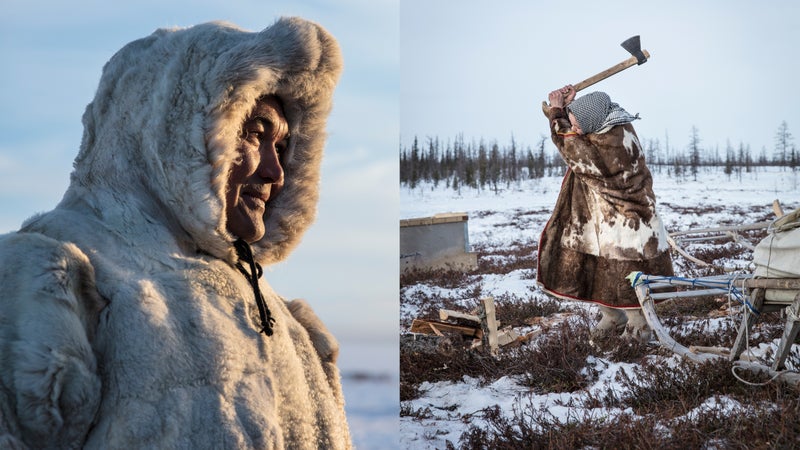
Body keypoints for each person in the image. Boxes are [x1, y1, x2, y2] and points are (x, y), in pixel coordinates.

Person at [0, 17, 351, 449]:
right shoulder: (50, 275)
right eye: (254, 134)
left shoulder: (281, 318)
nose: (275, 172)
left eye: (281, 147)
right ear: (169, 132)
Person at [537, 85, 673, 342]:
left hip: (630, 225)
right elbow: (581, 134)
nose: (575, 128)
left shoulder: (612, 144)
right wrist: (569, 109)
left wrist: (557, 112)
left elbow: (572, 147)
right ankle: (612, 315)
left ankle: (639, 325)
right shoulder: (612, 126)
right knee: (600, 268)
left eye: (578, 122)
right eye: (574, 123)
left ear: (592, 121)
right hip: (608, 221)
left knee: (630, 273)